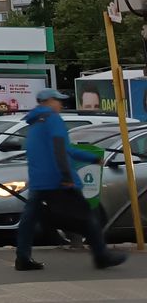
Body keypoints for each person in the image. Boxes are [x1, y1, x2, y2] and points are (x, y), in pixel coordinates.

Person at [14, 88, 127, 272]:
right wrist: (66, 176)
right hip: (58, 179)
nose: (61, 104)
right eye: (58, 101)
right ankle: (101, 256)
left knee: (29, 219)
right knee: (87, 216)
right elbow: (61, 149)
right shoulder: (53, 119)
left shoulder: (33, 124)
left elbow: (59, 149)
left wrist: (92, 158)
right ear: (49, 101)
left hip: (38, 181)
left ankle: (22, 258)